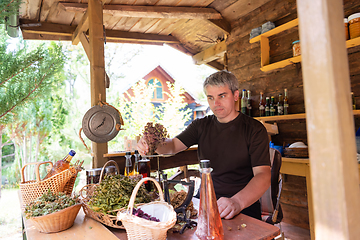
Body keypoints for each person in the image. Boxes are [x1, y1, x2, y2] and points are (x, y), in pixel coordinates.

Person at [137, 70, 271, 220]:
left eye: (222, 96)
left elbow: (263, 175)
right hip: (205, 204)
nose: (216, 103)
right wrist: (152, 142)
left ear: (235, 95)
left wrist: (237, 202)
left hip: (244, 208)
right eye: (210, 98)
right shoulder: (201, 126)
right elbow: (172, 146)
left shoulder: (254, 129)